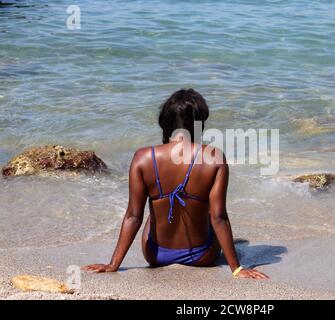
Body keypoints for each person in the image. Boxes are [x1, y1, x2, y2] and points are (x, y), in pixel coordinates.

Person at [84, 89, 269, 279]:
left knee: (154, 209)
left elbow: (133, 216)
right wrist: (236, 269)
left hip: (156, 255)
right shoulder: (214, 158)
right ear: (200, 124)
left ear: (165, 123)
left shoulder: (143, 157)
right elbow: (219, 217)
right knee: (208, 209)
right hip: (203, 256)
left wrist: (113, 264)